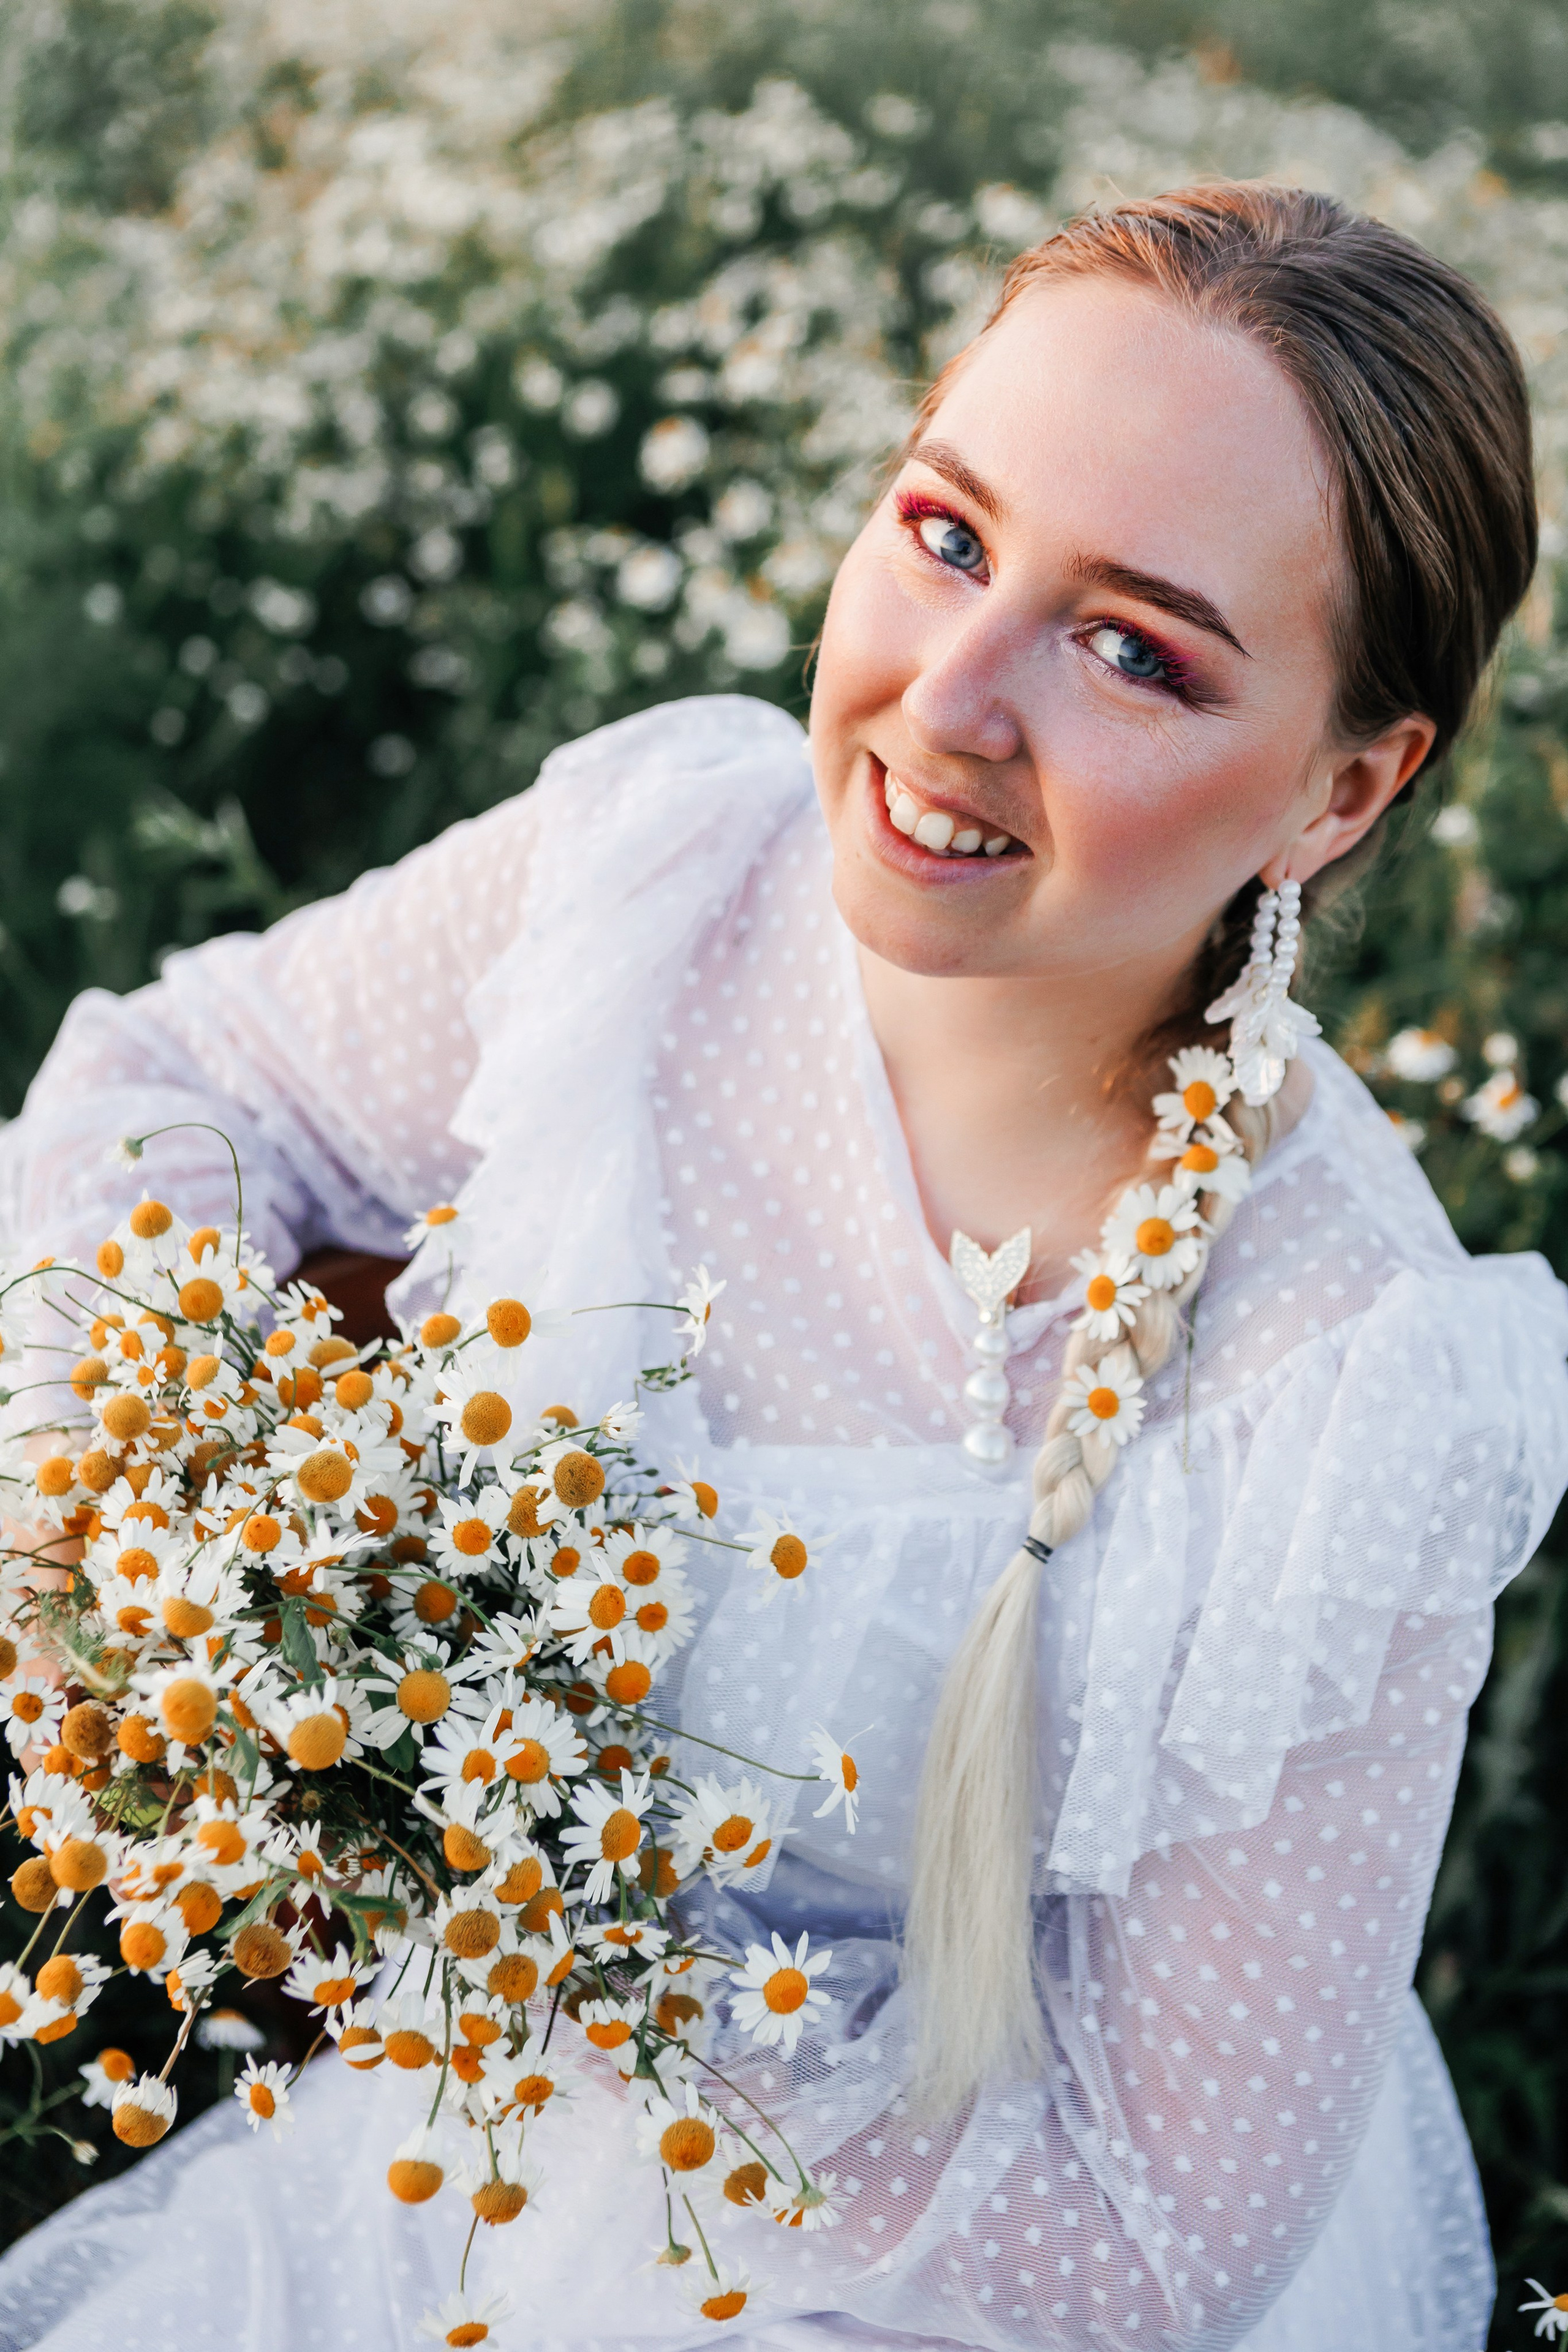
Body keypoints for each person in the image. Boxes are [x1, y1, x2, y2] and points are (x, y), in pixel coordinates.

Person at [1, 182, 1565, 2352]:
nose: (953, 697)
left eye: (1135, 649)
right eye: (945, 531)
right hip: (454, 2128)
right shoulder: (668, 875)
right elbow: (172, 1087)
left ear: (1340, 788)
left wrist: (561, 1950)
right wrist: (149, 1502)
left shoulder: (1340, 1381)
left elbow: (1137, 2247)